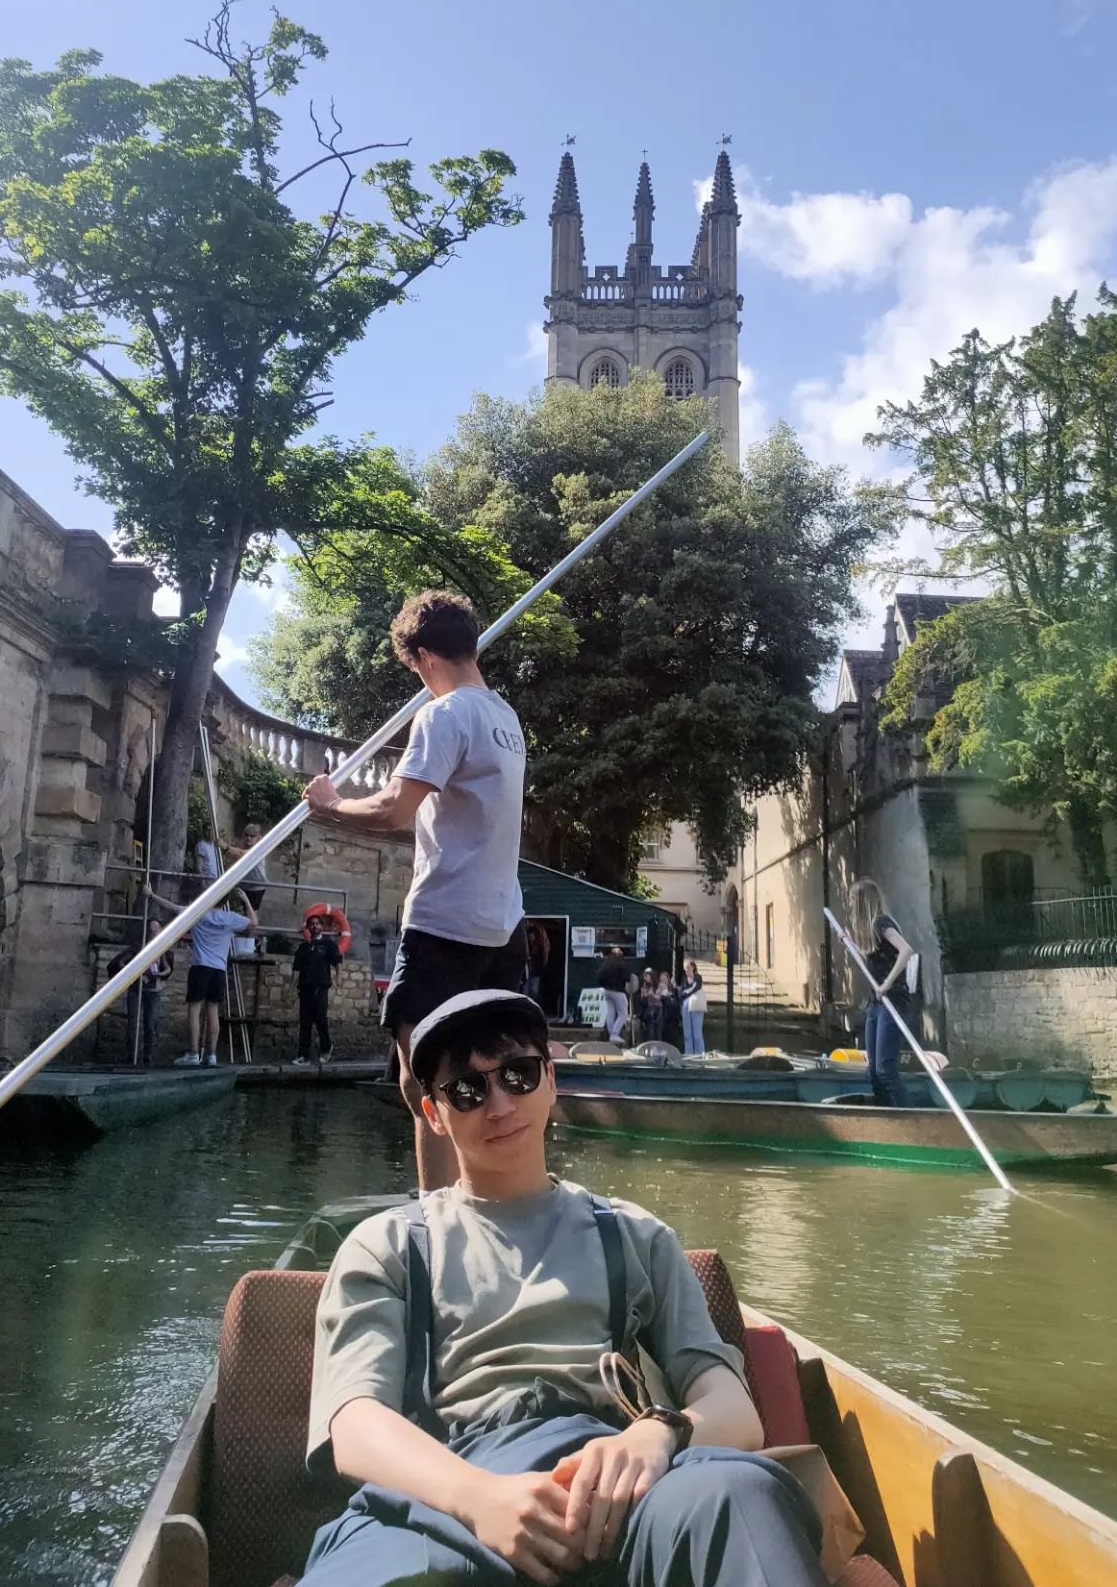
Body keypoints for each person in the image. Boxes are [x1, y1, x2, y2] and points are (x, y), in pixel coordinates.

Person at [302, 988, 829, 1587]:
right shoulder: (388, 1244)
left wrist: (658, 1433)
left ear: (551, 1081)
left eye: (518, 1075)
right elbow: (354, 1423)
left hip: (611, 1484)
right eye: (468, 1090)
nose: (499, 1103)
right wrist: (479, 1499)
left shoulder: (637, 1235)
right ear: (434, 1114)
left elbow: (735, 1411)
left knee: (737, 1494)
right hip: (445, 1492)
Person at [304, 590, 526, 1189]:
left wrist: (330, 806)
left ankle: (439, 1210)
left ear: (425, 656)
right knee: (485, 1073)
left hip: (445, 921)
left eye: (415, 671)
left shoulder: (445, 714)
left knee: (420, 1073)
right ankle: (490, 1192)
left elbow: (393, 811)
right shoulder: (506, 720)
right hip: (503, 926)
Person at [148, 883, 256, 1068]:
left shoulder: (198, 913)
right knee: (213, 1011)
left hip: (200, 967)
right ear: (225, 901)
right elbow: (253, 923)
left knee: (194, 1011)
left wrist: (151, 895)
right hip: (219, 970)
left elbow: (171, 906)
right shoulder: (230, 918)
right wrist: (246, 900)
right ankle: (211, 1055)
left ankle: (193, 1054)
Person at [849, 877, 916, 1107]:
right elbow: (875, 957)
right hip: (877, 1005)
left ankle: (911, 1120)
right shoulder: (872, 931)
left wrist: (886, 984)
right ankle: (889, 1118)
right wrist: (850, 942)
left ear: (861, 902)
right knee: (874, 1074)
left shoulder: (881, 923)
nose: (849, 904)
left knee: (885, 1070)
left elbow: (906, 951)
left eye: (851, 900)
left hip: (893, 1000)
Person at [109, 919, 174, 1065]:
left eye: (157, 929)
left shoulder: (163, 949)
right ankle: (131, 1055)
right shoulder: (137, 948)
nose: (154, 933)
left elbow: (167, 968)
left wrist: (160, 975)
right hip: (136, 989)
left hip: (153, 991)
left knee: (150, 1024)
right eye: (151, 930)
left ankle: (147, 1056)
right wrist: (133, 973)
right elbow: (121, 962)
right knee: (133, 1022)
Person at [292, 912, 342, 1065]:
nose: (314, 926)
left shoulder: (328, 944)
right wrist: (289, 989)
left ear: (321, 926)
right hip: (305, 988)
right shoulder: (303, 947)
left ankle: (326, 1048)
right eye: (311, 924)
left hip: (321, 987)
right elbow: (296, 970)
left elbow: (337, 962)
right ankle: (303, 1056)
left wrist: (338, 977)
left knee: (320, 1020)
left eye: (317, 923)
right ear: (308, 927)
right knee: (305, 1023)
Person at [596, 948, 634, 1044]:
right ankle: (614, 1034)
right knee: (623, 1014)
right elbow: (627, 977)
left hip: (607, 991)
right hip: (618, 991)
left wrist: (605, 985)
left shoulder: (606, 964)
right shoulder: (621, 963)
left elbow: (599, 977)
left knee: (610, 1014)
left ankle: (611, 1035)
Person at [679, 958, 707, 1055]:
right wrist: (684, 992)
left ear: (693, 967)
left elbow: (695, 988)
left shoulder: (698, 977)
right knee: (687, 1034)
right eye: (685, 968)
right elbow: (680, 993)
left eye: (688, 968)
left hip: (696, 1005)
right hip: (686, 1006)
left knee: (697, 1033)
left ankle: (699, 1053)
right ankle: (689, 1054)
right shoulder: (684, 979)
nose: (686, 970)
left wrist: (686, 992)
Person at [655, 971, 683, 1051]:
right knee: (664, 1038)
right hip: (662, 1018)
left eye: (664, 979)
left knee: (672, 1039)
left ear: (668, 980)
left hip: (672, 1018)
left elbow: (674, 1003)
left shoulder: (672, 990)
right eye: (661, 980)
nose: (663, 981)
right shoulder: (658, 990)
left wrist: (664, 997)